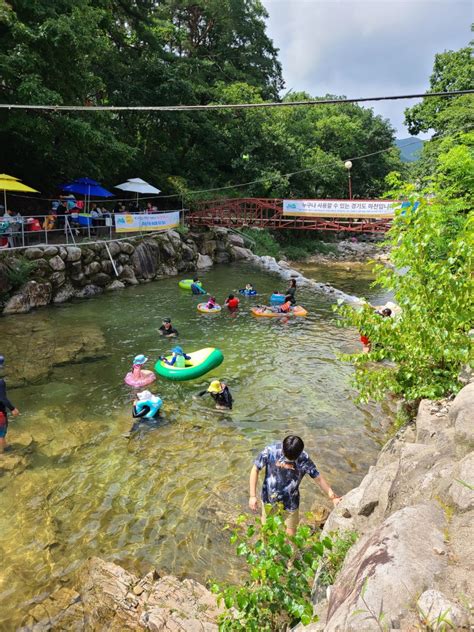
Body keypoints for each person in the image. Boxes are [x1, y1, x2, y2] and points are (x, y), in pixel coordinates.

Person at [249, 435, 341, 536]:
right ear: (283, 447)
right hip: (269, 500)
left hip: (290, 503)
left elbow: (318, 478)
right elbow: (255, 469)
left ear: (299, 453)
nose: (288, 460)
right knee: (266, 531)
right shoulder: (271, 451)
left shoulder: (304, 458)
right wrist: (252, 496)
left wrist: (333, 497)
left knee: (291, 537)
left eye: (291, 459)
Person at [0, 356, 20, 453]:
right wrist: (13, 409)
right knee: (1, 432)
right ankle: (5, 449)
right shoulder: (0, 382)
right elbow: (2, 398)